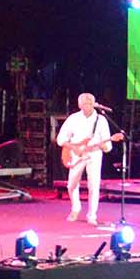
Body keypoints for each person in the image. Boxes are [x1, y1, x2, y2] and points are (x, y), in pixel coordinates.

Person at [56, 92, 119, 226]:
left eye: (90, 102)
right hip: (76, 154)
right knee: (71, 184)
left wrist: (104, 145)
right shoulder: (73, 118)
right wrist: (74, 147)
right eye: (85, 102)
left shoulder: (101, 120)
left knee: (94, 185)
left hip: (94, 154)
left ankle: (92, 215)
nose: (88, 105)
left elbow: (108, 146)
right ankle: (76, 207)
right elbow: (60, 139)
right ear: (80, 105)